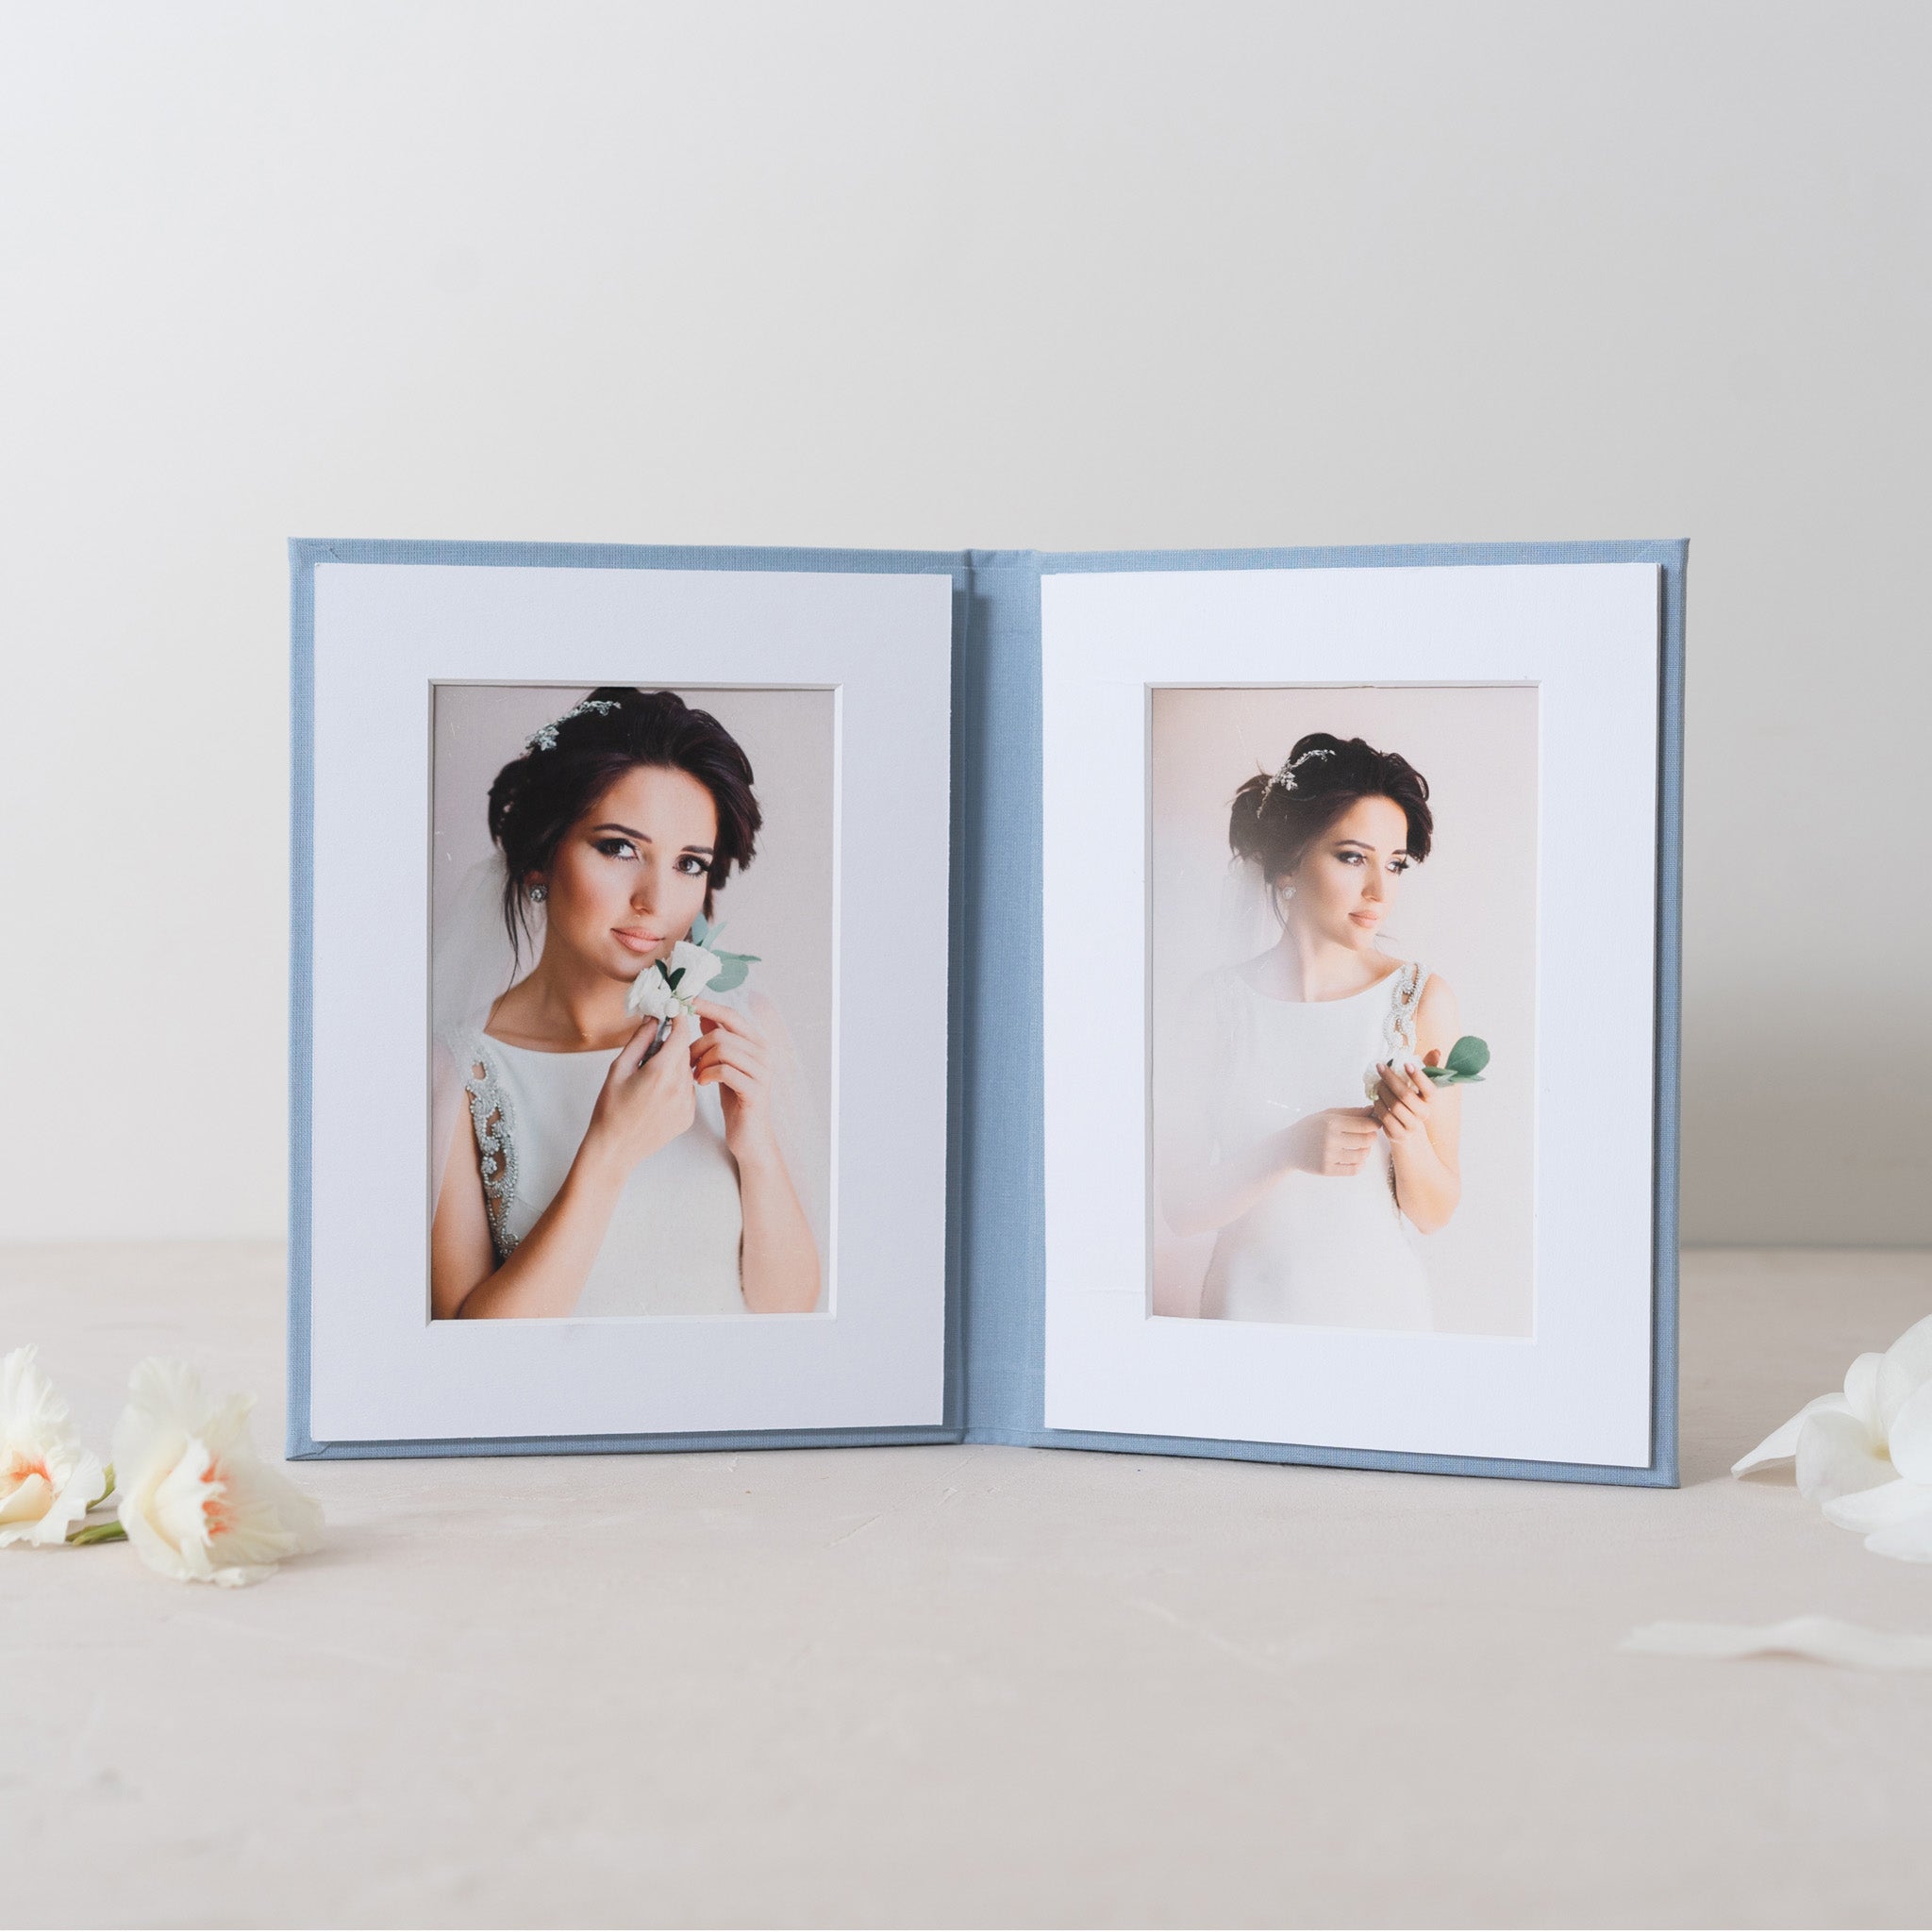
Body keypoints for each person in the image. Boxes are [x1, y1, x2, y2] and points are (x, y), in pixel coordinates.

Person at [429, 688, 823, 1320]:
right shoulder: (458, 1074)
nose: (655, 900)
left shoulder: (739, 1029)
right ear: (539, 857)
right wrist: (609, 1152)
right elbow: (468, 1354)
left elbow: (788, 1308)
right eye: (618, 848)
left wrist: (755, 1148)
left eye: (689, 864)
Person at [1158, 732, 1461, 1328]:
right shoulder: (1212, 1006)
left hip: (1383, 1312)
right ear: (1290, 861)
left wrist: (1406, 1135)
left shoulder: (1420, 1000)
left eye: (1395, 864)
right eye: (1353, 857)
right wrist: (1285, 1150)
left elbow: (1435, 1212)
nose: (1380, 891)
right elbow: (1181, 1207)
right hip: (1247, 1311)